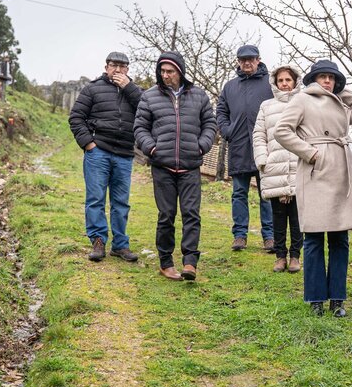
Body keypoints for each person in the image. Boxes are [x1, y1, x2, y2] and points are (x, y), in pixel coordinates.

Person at [275, 60, 352, 316]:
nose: (327, 80)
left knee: (340, 237)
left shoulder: (340, 104)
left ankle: (337, 299)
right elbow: (282, 131)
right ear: (313, 79)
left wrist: (341, 89)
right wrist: (310, 153)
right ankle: (316, 299)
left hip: (340, 171)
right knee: (314, 237)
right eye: (322, 76)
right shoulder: (302, 99)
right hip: (315, 172)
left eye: (332, 77)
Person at [134, 51, 217, 281]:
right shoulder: (149, 96)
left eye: (170, 71)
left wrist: (201, 146)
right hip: (163, 166)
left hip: (190, 166)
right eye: (162, 71)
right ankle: (166, 262)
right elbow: (140, 128)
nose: (165, 75)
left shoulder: (199, 96)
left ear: (180, 72)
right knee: (166, 215)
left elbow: (210, 124)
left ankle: (190, 262)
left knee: (191, 214)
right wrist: (152, 148)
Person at [69, 51, 143, 262]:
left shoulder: (135, 91)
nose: (117, 70)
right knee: (96, 199)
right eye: (113, 65)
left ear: (127, 69)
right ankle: (98, 241)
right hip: (98, 152)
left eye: (122, 66)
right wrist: (89, 144)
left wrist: (128, 87)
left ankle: (120, 245)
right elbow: (76, 117)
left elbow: (147, 111)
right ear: (106, 67)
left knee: (121, 202)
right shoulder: (92, 89)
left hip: (124, 154)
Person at [216, 45, 275, 252]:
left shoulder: (271, 83)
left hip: (265, 147)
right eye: (243, 60)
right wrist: (227, 131)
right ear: (238, 62)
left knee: (267, 194)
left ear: (258, 59)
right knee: (239, 193)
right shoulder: (230, 86)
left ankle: (270, 237)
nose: (247, 62)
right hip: (239, 147)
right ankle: (239, 236)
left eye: (251, 59)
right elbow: (221, 111)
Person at [252, 65, 304, 273]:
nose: (284, 84)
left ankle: (295, 256)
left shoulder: (304, 102)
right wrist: (263, 160)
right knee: (278, 216)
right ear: (275, 82)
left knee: (297, 217)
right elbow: (259, 135)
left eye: (288, 80)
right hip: (274, 168)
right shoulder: (266, 106)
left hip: (299, 167)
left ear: (295, 81)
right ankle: (280, 256)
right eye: (280, 80)